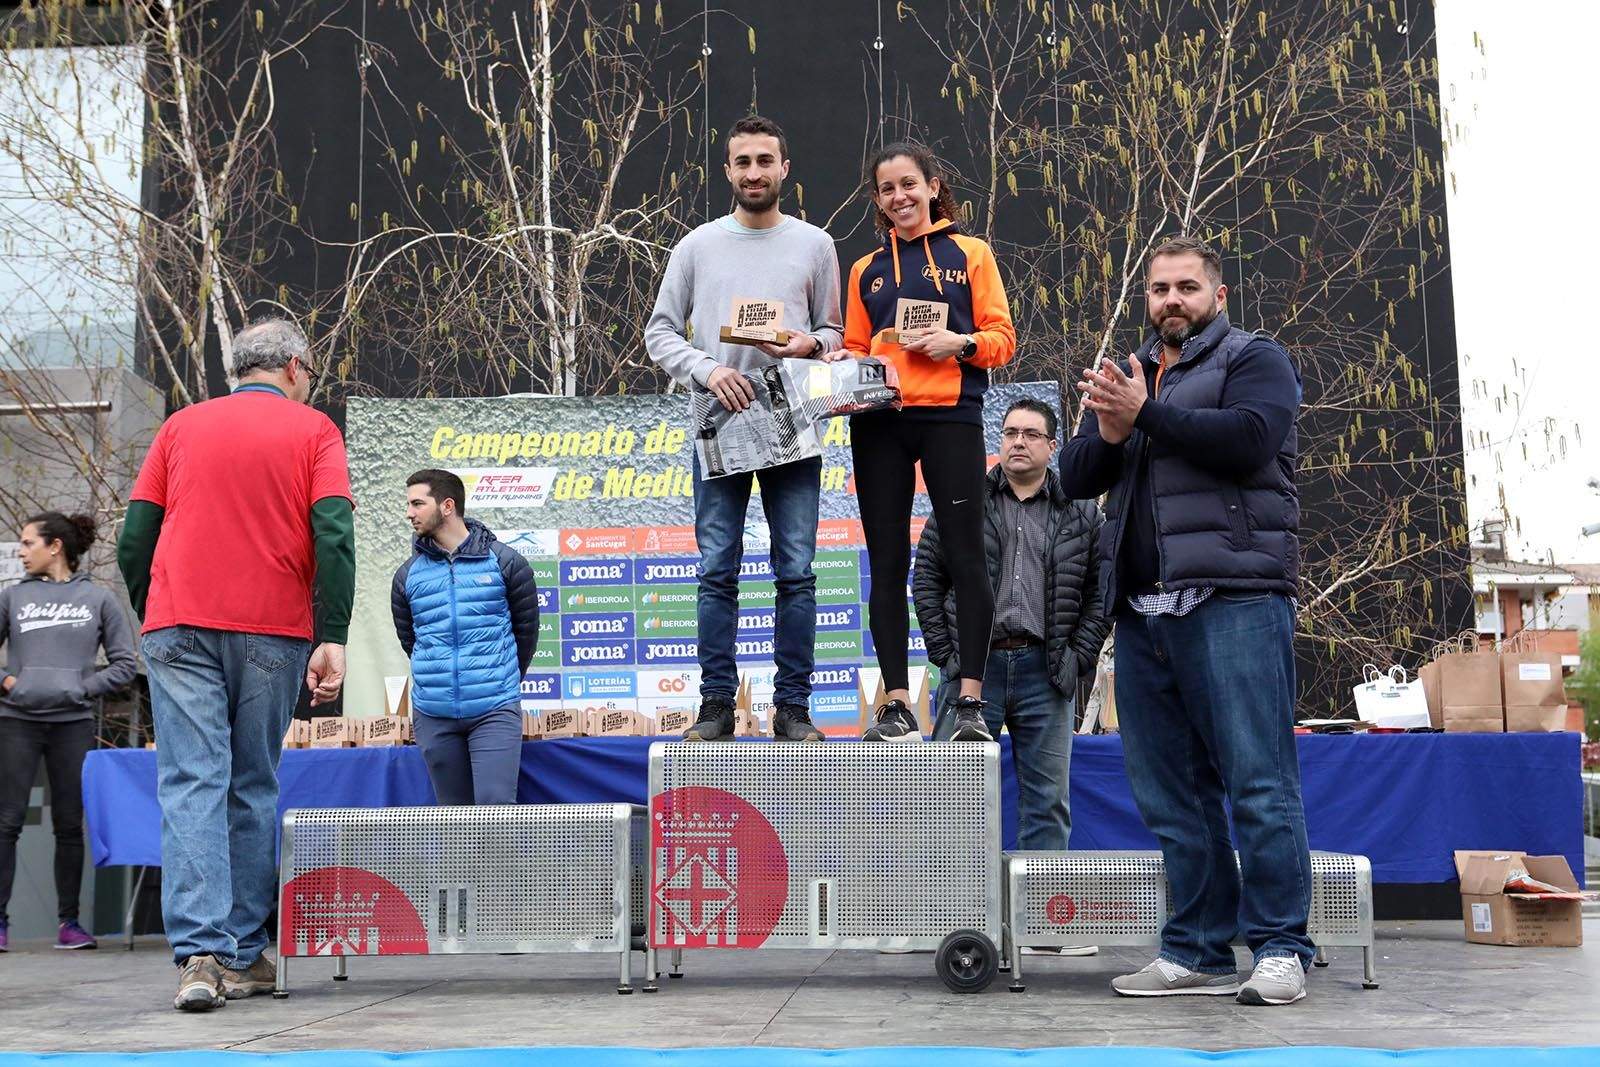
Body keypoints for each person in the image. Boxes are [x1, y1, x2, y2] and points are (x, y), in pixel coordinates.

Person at [1058, 235, 1313, 1005]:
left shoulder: (1253, 358)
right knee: (1174, 796)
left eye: (1187, 287)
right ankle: (1198, 949)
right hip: (1142, 615)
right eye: (1159, 288)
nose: (1172, 300)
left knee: (1259, 783)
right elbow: (1073, 475)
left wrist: (1146, 414)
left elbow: (1248, 441)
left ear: (1218, 295)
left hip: (1233, 600)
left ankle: (1280, 947)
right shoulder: (1129, 375)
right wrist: (1110, 430)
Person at [117, 318, 355, 1012]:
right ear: (292, 366)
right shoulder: (315, 433)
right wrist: (332, 631)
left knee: (192, 781)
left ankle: (197, 956)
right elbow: (334, 532)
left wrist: (154, 605)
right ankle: (244, 953)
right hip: (271, 628)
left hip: (178, 623)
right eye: (309, 371)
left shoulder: (180, 427)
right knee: (251, 783)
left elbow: (136, 535)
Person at [644, 114, 843, 742]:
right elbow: (658, 333)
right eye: (742, 162)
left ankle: (793, 710)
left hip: (791, 420)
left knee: (797, 570)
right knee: (716, 570)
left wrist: (813, 342)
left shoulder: (815, 244)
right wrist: (705, 370)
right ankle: (713, 710)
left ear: (785, 169)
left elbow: (837, 333)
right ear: (727, 171)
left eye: (765, 161)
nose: (754, 172)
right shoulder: (696, 247)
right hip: (719, 420)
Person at [834, 141, 1015, 742]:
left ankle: (968, 703)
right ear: (878, 201)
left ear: (933, 186)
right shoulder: (864, 269)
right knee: (886, 562)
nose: (899, 197)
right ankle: (894, 703)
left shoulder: (972, 253)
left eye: (909, 184)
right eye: (887, 190)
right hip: (880, 422)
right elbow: (856, 350)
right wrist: (846, 367)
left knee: (966, 556)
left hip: (950, 417)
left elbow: (1001, 339)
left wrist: (957, 344)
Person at [915, 398, 1108, 855]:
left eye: (1031, 434)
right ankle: (955, 921)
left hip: (1047, 672)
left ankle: (1034, 919)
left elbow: (1102, 593)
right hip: (972, 676)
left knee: (1048, 807)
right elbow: (926, 576)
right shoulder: (961, 499)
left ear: (1052, 446)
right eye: (1010, 433)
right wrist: (948, 655)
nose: (1018, 441)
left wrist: (1077, 658)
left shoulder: (1082, 512)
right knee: (950, 805)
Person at [0, 513, 137, 953]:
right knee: (6, 821)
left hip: (72, 725)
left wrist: (80, 687)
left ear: (54, 546)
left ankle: (69, 924)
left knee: (68, 825)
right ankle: (0, 923)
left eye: (26, 543)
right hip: (16, 721)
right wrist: (8, 683)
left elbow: (124, 664)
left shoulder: (98, 599)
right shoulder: (12, 598)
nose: (21, 551)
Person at [391, 469, 539, 804]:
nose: (409, 513)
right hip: (434, 714)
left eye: (417, 503)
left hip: (494, 711)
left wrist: (496, 680)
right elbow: (410, 640)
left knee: (496, 815)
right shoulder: (406, 575)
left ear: (446, 506)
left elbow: (525, 634)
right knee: (454, 822)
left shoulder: (506, 562)